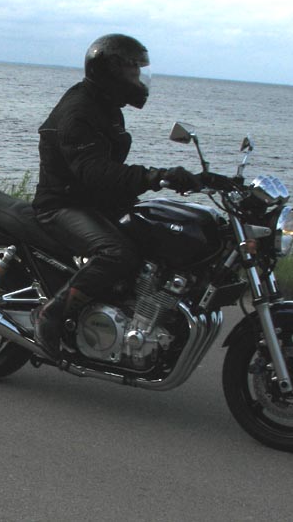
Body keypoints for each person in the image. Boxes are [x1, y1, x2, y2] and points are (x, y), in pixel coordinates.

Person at [31, 33, 199, 361]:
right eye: (133, 72)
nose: (138, 79)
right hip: (61, 205)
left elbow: (106, 172)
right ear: (111, 72)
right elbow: (94, 172)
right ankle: (49, 315)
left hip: (94, 201)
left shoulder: (105, 106)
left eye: (139, 72)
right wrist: (155, 176)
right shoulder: (79, 111)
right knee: (117, 253)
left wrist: (205, 179)